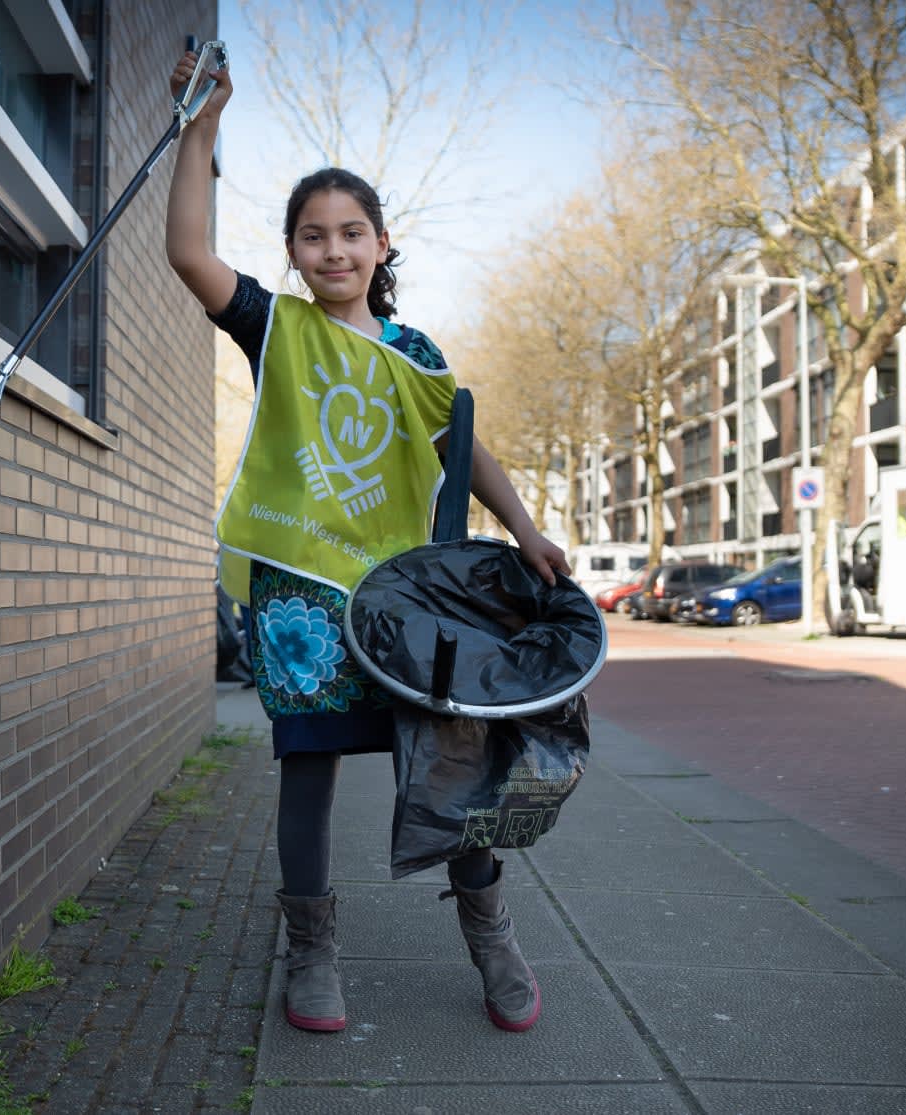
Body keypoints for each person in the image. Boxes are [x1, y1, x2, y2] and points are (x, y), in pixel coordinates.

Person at [165, 48, 571, 1035]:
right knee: (307, 772)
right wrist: (201, 129)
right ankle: (311, 952)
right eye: (314, 235)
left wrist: (525, 528)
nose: (334, 249)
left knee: (453, 768)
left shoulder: (420, 355)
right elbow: (186, 255)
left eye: (352, 233)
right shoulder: (276, 330)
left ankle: (492, 936)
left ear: (383, 244)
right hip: (302, 595)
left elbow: (467, 452)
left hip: (409, 599)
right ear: (295, 250)